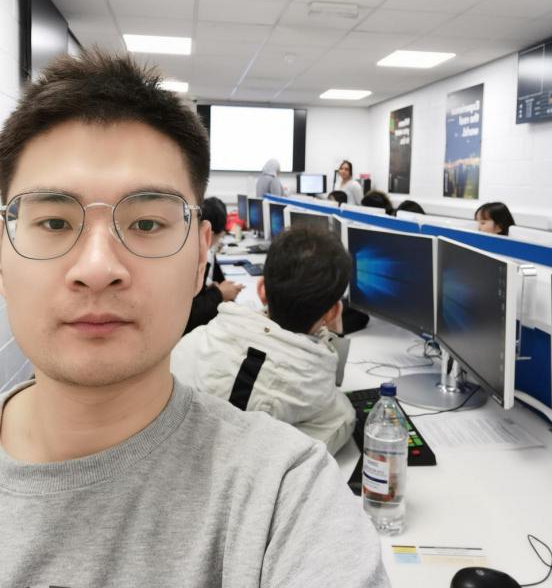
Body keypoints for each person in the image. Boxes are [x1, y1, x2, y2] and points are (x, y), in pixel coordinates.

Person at [0, 49, 389, 587]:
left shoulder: (285, 493)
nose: (97, 269)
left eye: (146, 224)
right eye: (53, 222)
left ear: (200, 256)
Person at [172, 226, 356, 456]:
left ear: (261, 289)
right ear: (333, 312)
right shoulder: (334, 412)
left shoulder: (193, 341)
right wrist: (335, 335)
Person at [184, 196, 244, 335]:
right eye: (219, 237)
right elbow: (188, 316)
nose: (218, 242)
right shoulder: (191, 261)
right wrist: (219, 294)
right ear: (208, 234)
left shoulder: (192, 250)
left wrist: (209, 290)